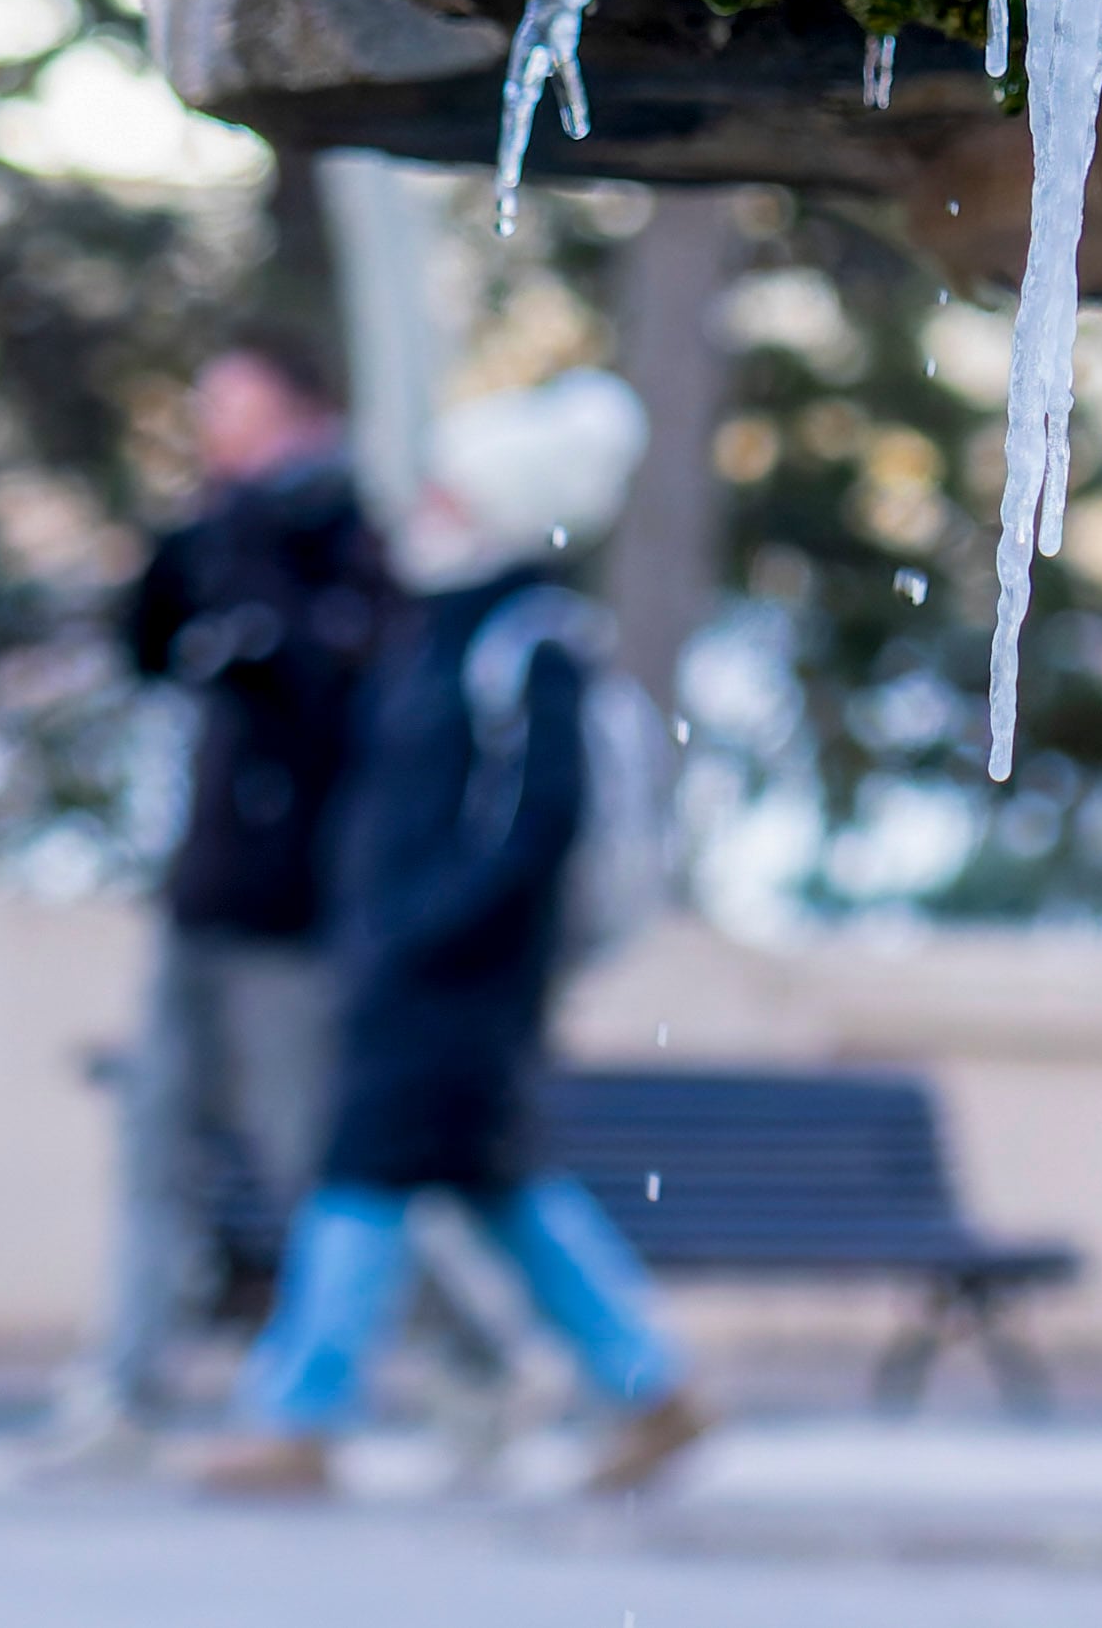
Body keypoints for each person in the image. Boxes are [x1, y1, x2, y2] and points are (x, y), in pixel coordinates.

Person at [198, 369, 710, 1499]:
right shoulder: (438, 634)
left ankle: (300, 1414)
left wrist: (430, 931)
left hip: (457, 981)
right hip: (415, 969)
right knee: (500, 1188)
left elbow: (539, 819)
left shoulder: (533, 643)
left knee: (360, 1179)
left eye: (443, 494)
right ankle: (651, 1382)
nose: (421, 512)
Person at [39, 328, 387, 1474]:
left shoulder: (348, 528)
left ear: (295, 410)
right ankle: (124, 1394)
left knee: (313, 1169)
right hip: (202, 896)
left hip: (296, 915)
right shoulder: (218, 532)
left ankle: (462, 1371)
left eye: (230, 406)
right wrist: (188, 547)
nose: (211, 430)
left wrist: (263, 592)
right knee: (155, 1153)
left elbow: (339, 696)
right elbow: (151, 649)